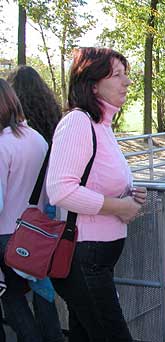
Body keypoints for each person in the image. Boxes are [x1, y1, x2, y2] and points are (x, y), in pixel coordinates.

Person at [46, 47, 147, 342]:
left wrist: (129, 195)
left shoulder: (102, 125)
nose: (127, 82)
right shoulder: (78, 122)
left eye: (125, 75)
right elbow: (60, 189)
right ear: (92, 84)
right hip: (84, 259)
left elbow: (94, 180)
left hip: (95, 260)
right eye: (117, 75)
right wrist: (119, 207)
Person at [7, 65, 65, 342]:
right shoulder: (41, 137)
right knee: (42, 289)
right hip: (41, 224)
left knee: (12, 294)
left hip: (9, 229)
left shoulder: (5, 143)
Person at [0, 79, 48, 341]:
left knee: (13, 301)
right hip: (34, 234)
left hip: (5, 235)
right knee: (34, 298)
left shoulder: (2, 145)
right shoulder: (37, 139)